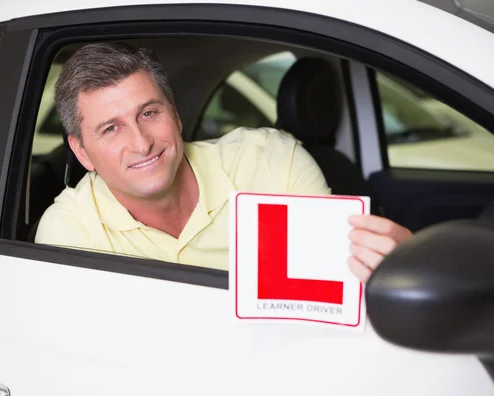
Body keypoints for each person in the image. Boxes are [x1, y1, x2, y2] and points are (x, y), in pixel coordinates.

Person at [35, 42, 412, 282]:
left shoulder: (270, 161)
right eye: (111, 128)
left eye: (149, 113)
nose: (141, 144)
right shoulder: (69, 232)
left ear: (176, 116)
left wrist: (401, 267)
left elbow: (333, 283)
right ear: (82, 152)